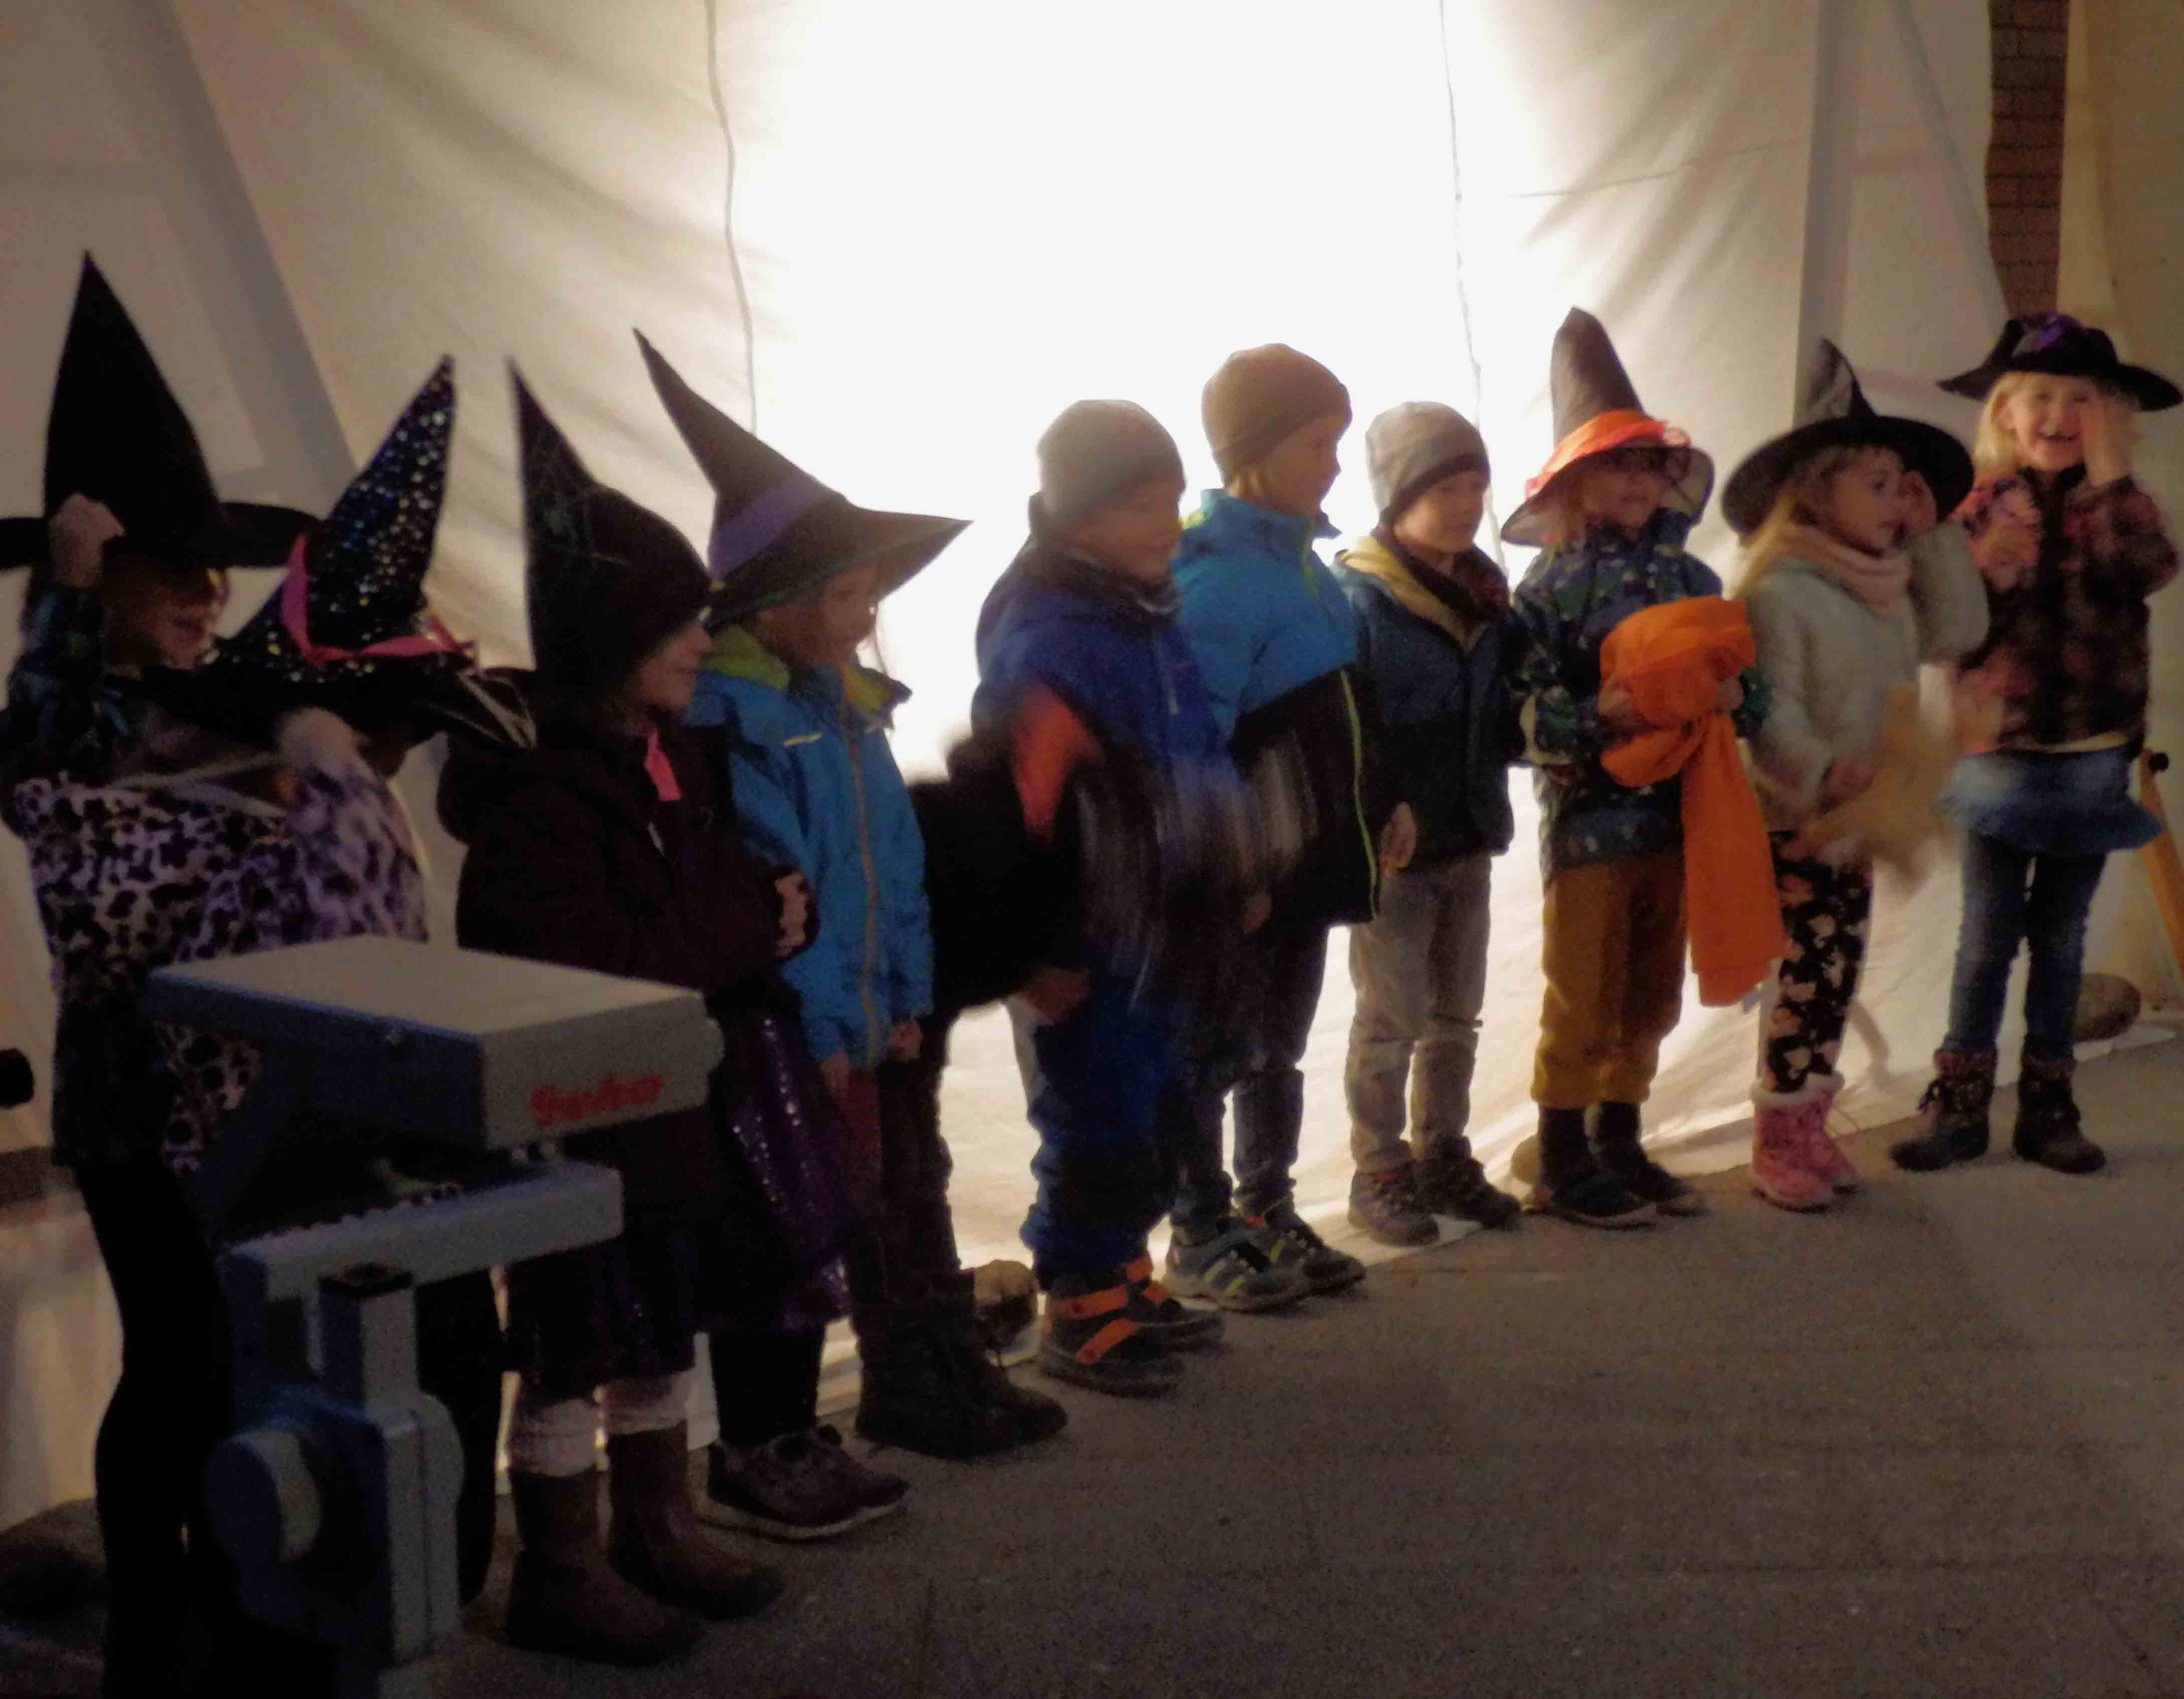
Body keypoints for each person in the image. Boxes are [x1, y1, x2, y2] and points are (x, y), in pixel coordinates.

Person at [5, 351, 501, 1696]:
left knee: (237, 1360)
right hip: (134, 1098)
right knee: (174, 1360)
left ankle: (234, 1611)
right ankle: (150, 1623)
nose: (203, 595)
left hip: (246, 1094)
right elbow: (43, 771)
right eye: (168, 571)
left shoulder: (216, 698)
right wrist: (66, 596)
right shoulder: (69, 703)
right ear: (98, 575)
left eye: (211, 573)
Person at [441, 371, 885, 1665]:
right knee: (572, 1342)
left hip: (677, 1109)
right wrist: (753, 920)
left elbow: (719, 903)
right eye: (677, 623)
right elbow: (609, 963)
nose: (702, 640)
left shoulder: (672, 760)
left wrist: (756, 913)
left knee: (659, 1328)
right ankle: (561, 1566)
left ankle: (656, 1526)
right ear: (606, 641)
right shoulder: (539, 800)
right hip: (584, 1123)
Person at [636, 336, 1057, 1457]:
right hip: (810, 1029)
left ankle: (943, 1359)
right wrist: (829, 1027)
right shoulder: (739, 726)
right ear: (776, 607)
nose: (866, 613)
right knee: (852, 1205)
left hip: (878, 1014)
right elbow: (783, 888)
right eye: (846, 592)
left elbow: (893, 868)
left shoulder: (852, 708)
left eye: (869, 590)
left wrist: (907, 995)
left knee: (917, 1182)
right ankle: (902, 1380)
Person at [972, 399, 1252, 1391]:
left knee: (1158, 1105)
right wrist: (1038, 948)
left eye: (1172, 500)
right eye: (1141, 506)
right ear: (1077, 512)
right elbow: (1026, 810)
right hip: (1085, 936)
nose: (1167, 524)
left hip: (1162, 918)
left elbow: (1196, 745)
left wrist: (1229, 862)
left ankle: (1126, 1274)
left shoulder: (1144, 612)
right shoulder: (1046, 637)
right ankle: (1080, 1301)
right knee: (1094, 1116)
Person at [1890, 315, 2180, 1175]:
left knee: (2061, 936)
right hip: (1998, 754)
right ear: (2006, 415)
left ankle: (2050, 1104)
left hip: (2091, 750)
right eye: (2041, 398)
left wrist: (2113, 472)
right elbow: (1943, 629)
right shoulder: (1979, 509)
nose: (2060, 416)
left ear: (2112, 416)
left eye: (2082, 400)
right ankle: (1960, 1102)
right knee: (1986, 934)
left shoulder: (2121, 505)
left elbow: (2147, 569)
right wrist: (1984, 570)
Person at [1505, 308, 1768, 1227]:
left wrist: (1736, 699)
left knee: (1651, 993)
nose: (1635, 481)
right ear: (1573, 482)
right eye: (1614, 465)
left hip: (1680, 818)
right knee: (1582, 992)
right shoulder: (1547, 591)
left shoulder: (1695, 584)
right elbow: (1521, 719)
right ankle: (1560, 1155)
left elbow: (1750, 687)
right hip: (1589, 825)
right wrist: (1599, 715)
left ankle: (1619, 1139)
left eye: (1649, 465)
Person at [1164, 344, 1414, 1307]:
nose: (1335, 466)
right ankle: (1198, 1232)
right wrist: (1235, 872)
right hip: (1248, 879)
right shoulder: (1214, 580)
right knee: (1211, 1054)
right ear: (1253, 450)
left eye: (1337, 443)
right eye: (1317, 444)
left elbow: (1349, 706)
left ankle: (1267, 1208)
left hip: (1307, 867)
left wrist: (1386, 801)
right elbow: (1197, 747)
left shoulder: (1308, 568)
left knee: (1275, 1050)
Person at [1725, 341, 1987, 1209]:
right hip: (1798, 821)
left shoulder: (1885, 585)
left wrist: (1935, 530)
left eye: (1901, 486)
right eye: (1877, 484)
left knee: (1838, 972)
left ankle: (1808, 1123)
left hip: (1861, 814)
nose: (1892, 501)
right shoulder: (1778, 592)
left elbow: (1958, 632)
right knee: (1802, 976)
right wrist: (1822, 772)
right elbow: (1768, 711)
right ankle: (1777, 1139)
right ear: (1815, 492)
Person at [1334, 402, 1525, 1247]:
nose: (1465, 505)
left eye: (1475, 485)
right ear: (1398, 495)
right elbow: (1348, 724)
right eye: (1443, 487)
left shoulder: (1485, 594)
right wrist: (1381, 805)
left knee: (1456, 1018)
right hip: (1396, 855)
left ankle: (1442, 1154)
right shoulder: (1360, 597)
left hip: (1470, 838)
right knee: (1390, 1022)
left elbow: (1506, 711)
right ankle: (1379, 1171)